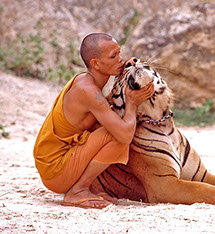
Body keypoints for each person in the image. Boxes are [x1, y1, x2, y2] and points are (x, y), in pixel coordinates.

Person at [33, 33, 154, 209]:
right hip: (56, 172)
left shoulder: (90, 82)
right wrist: (132, 104)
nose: (120, 59)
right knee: (116, 135)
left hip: (61, 165)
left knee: (110, 126)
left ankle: (90, 187)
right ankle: (78, 191)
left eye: (119, 53)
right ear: (95, 64)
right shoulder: (87, 90)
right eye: (113, 57)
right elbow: (125, 135)